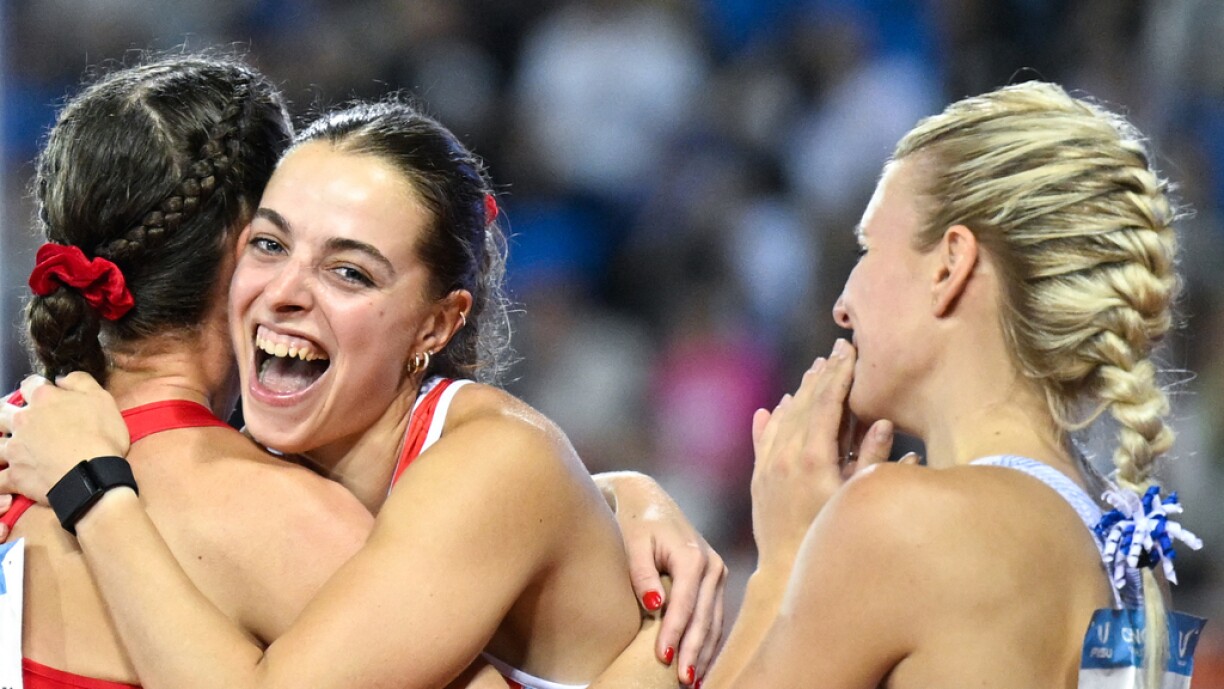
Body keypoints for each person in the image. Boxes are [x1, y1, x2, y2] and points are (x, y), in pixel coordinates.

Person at [0, 55, 722, 689]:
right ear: (228, 255)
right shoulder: (282, 469)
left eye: (349, 270)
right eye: (272, 242)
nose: (286, 290)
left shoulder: (489, 463)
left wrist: (95, 488)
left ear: (439, 321)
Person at [693, 81, 1200, 687]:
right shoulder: (1122, 542)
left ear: (950, 264)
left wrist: (783, 559)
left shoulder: (901, 521)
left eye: (868, 247)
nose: (842, 306)